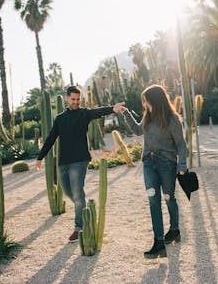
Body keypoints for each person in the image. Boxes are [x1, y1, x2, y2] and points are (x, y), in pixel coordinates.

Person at [36, 85, 126, 242]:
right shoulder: (60, 119)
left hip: (80, 160)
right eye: (73, 99)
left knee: (77, 193)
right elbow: (51, 138)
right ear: (66, 98)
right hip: (63, 162)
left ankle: (79, 228)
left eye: (78, 99)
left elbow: (97, 111)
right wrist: (40, 157)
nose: (76, 102)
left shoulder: (84, 114)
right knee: (68, 192)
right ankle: (86, 211)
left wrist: (113, 108)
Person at [123, 84, 187, 259]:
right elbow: (136, 130)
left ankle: (174, 230)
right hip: (149, 164)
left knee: (169, 198)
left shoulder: (172, 119)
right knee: (153, 201)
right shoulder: (148, 118)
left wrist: (182, 166)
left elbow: (181, 144)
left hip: (167, 165)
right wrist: (126, 113)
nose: (145, 105)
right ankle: (158, 242)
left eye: (147, 101)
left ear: (155, 101)